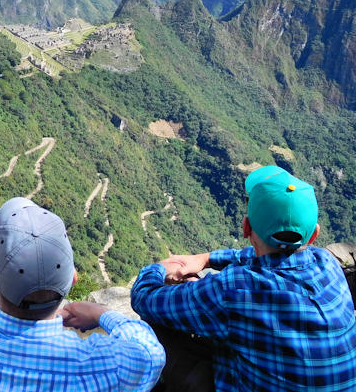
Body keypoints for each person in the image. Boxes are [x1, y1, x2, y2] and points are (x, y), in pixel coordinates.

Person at [131, 165, 356, 392]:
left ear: (246, 227)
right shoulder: (327, 262)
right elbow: (265, 258)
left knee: (156, 326)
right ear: (315, 234)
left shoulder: (234, 289)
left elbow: (143, 298)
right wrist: (206, 258)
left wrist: (159, 268)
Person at [0, 197, 165, 391]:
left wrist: (14, 309)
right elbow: (150, 352)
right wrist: (101, 313)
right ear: (73, 279)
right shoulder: (102, 369)